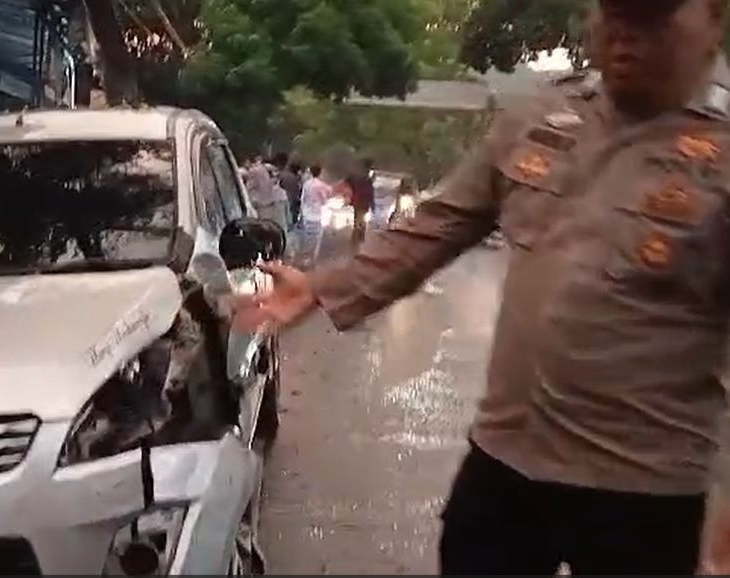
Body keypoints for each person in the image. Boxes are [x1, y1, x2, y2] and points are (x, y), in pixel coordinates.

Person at [235, 0, 730, 573]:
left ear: (713, 21)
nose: (625, 37)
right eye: (614, 17)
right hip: (507, 461)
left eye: (651, 20)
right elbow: (440, 221)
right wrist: (322, 287)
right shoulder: (543, 119)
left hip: (642, 488)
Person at [296, 164, 332, 269]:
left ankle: (304, 259)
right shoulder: (321, 185)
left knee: (307, 238)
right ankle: (312, 261)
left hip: (307, 214)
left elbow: (303, 198)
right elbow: (324, 200)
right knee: (316, 239)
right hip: (317, 214)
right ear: (320, 172)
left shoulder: (306, 184)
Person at [245, 155, 288, 228]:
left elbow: (248, 188)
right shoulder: (257, 171)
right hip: (273, 204)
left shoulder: (256, 171)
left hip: (267, 206)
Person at [346, 158, 375, 243]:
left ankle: (357, 233)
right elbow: (371, 191)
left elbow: (349, 181)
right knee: (361, 217)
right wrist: (373, 205)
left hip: (358, 199)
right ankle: (360, 234)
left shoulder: (358, 175)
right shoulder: (369, 177)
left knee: (358, 216)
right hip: (364, 200)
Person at [277, 155, 303, 230]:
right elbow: (298, 191)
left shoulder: (281, 175)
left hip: (283, 202)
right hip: (292, 202)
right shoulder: (294, 178)